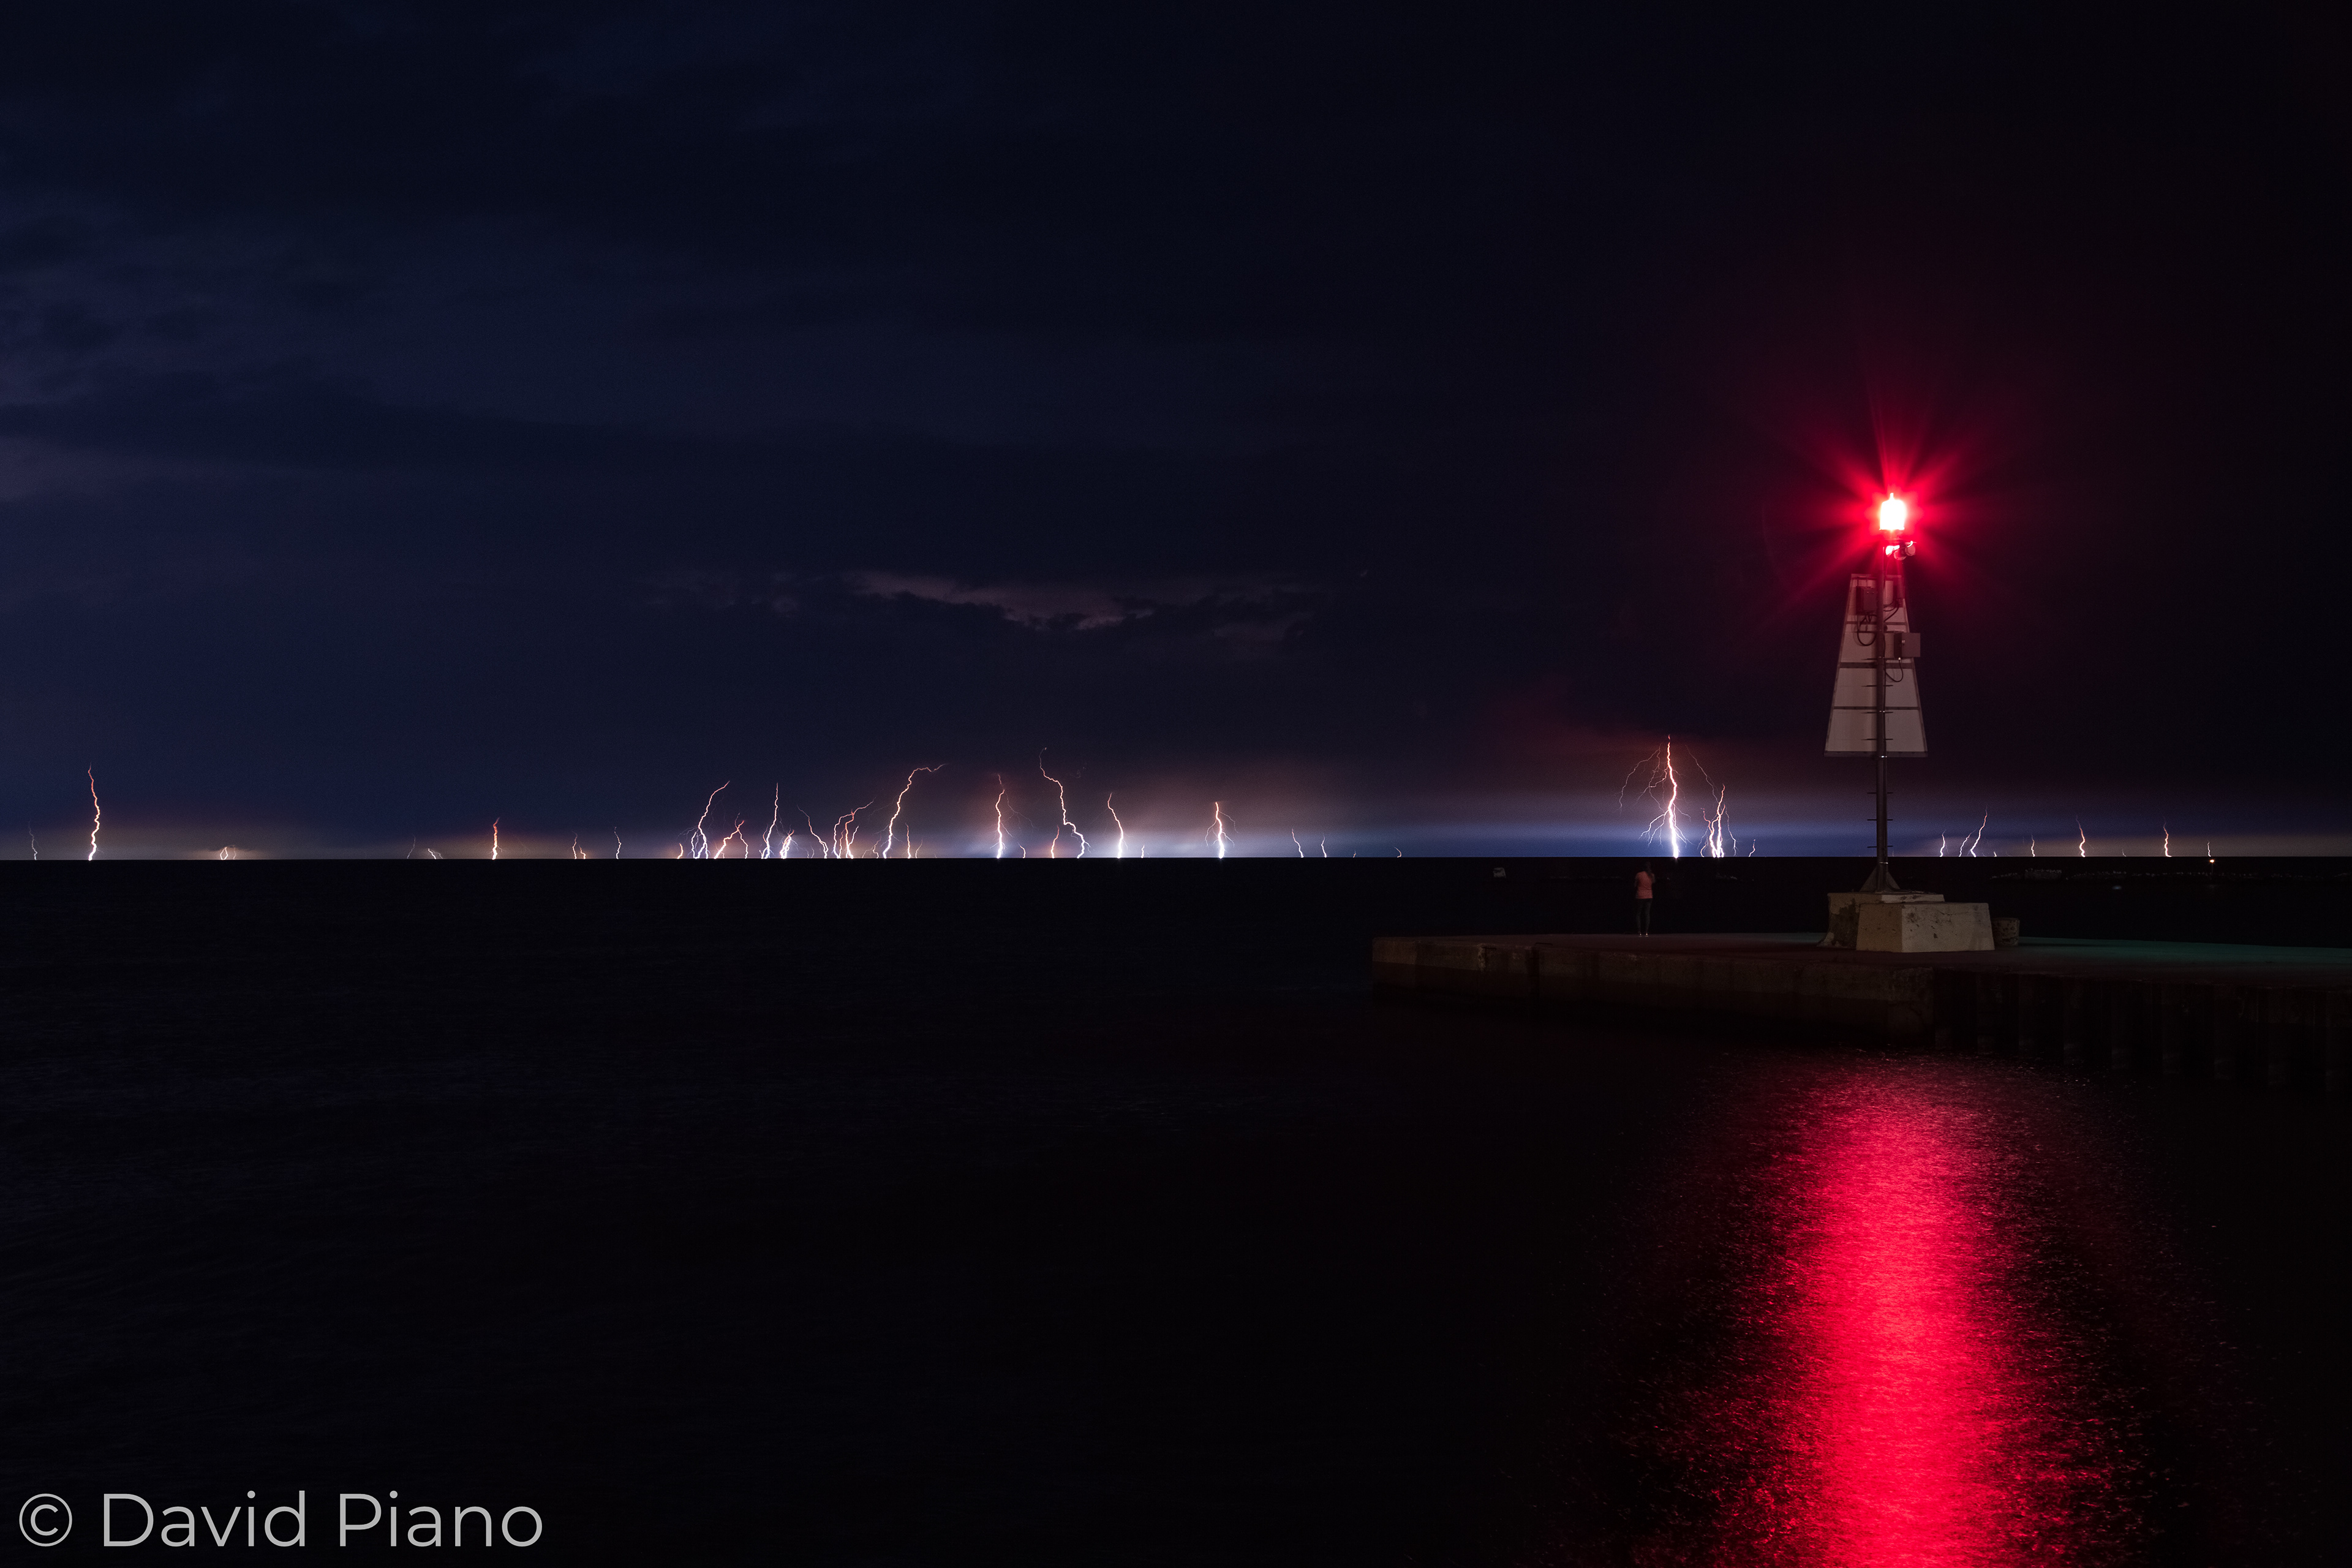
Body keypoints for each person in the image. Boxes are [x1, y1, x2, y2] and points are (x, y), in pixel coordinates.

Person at [1633, 865, 1654, 935]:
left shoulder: (1639, 875)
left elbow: (1635, 885)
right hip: (1649, 896)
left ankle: (1639, 931)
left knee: (1638, 913)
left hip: (1641, 896)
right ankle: (1646, 931)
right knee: (1647, 914)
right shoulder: (1652, 875)